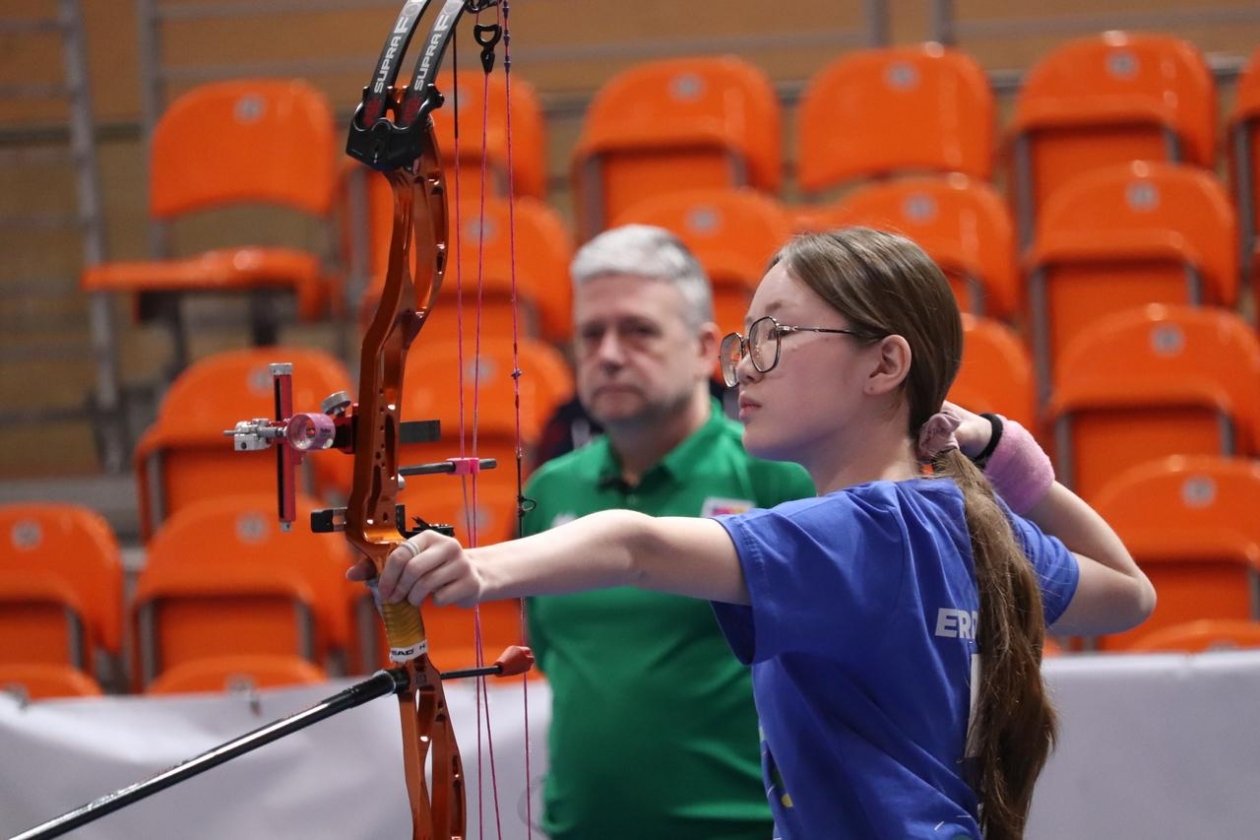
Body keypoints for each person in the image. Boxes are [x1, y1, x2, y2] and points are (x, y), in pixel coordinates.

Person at [360, 228, 1156, 839]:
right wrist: (998, 446)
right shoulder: (957, 522)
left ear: (884, 366)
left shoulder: (860, 528)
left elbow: (637, 546)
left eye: (775, 338)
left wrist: (477, 568)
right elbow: (1127, 592)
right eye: (744, 343)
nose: (745, 368)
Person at [520, 224, 820, 839]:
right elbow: (553, 653)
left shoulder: (779, 478)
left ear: (705, 348)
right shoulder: (548, 489)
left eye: (638, 331)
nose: (607, 354)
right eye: (590, 334)